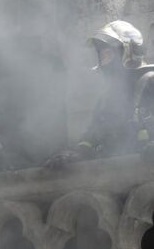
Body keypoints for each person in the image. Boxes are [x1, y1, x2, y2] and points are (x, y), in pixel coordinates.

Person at [48, 20, 154, 165]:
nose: (103, 60)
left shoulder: (150, 81)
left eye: (108, 54)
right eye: (101, 54)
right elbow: (93, 135)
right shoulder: (108, 97)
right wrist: (76, 153)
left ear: (127, 52)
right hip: (116, 175)